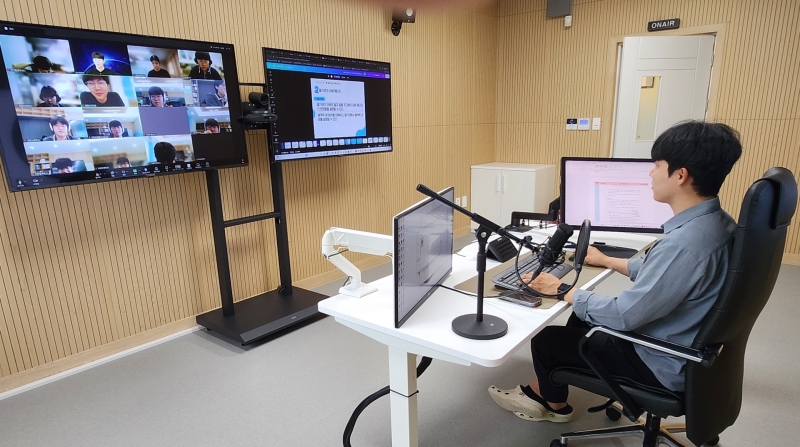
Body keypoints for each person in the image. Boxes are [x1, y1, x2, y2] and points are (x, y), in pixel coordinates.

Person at [488, 121, 743, 423]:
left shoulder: (683, 245)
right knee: (582, 316)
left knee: (547, 340)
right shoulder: (718, 223)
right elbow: (666, 273)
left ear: (680, 175)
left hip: (660, 360)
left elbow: (624, 315)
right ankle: (546, 387)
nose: (651, 173)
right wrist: (608, 260)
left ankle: (552, 405)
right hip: (690, 344)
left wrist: (560, 289)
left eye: (657, 165)